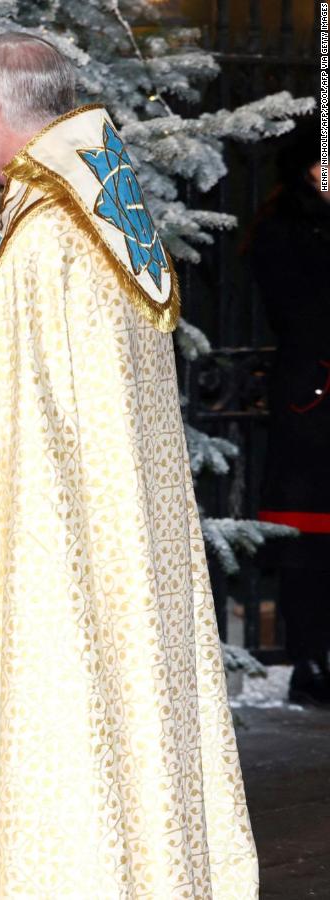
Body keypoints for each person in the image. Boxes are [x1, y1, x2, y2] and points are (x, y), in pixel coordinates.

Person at [0, 33, 258, 899]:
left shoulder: (49, 237)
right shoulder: (105, 214)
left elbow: (7, 432)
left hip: (50, 583)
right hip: (116, 564)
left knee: (55, 760)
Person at [246, 125, 330, 706]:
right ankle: (310, 661)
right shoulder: (284, 230)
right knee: (307, 543)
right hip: (315, 401)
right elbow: (299, 314)